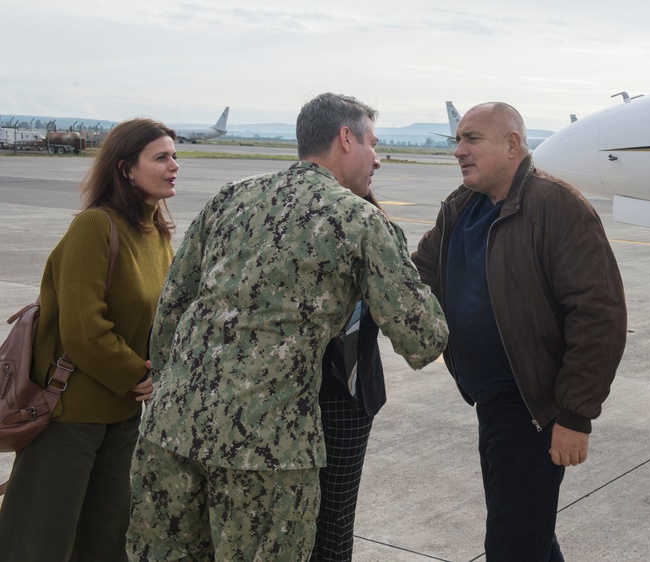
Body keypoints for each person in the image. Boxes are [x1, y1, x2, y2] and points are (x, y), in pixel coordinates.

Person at [126, 93, 449, 562]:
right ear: (345, 139)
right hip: (266, 452)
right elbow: (423, 340)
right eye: (372, 143)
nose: (377, 157)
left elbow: (172, 307)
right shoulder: (359, 220)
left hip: (171, 431)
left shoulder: (231, 197)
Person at [411, 102, 627, 561]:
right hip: (491, 402)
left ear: (512, 145)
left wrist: (574, 415)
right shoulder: (460, 208)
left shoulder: (555, 206)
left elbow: (598, 315)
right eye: (457, 140)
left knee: (512, 545)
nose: (458, 151)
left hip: (534, 408)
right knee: (527, 535)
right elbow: (416, 276)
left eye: (472, 139)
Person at [0, 118, 178, 562]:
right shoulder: (96, 227)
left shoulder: (156, 232)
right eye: (161, 157)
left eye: (175, 155)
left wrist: (160, 370)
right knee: (38, 542)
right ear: (126, 169)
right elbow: (82, 329)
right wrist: (137, 372)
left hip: (122, 416)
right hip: (69, 415)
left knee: (106, 542)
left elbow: (162, 317)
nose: (174, 165)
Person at [311, 177, 389, 561]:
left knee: (337, 515)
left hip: (352, 395)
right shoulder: (302, 227)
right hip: (298, 392)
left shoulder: (378, 229)